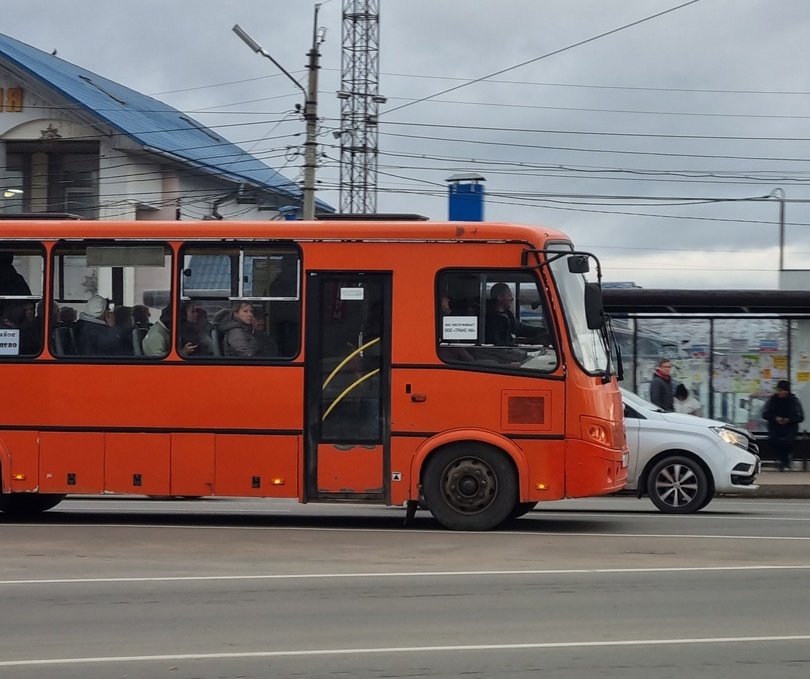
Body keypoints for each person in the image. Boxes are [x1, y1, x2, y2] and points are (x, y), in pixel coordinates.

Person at [762, 380, 805, 471]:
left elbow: (800, 417)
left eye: (782, 390)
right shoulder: (773, 400)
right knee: (773, 440)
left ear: (787, 391)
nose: (780, 393)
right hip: (775, 426)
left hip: (790, 427)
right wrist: (775, 418)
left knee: (789, 441)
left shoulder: (793, 401)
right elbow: (765, 414)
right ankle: (784, 460)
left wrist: (789, 420)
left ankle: (783, 460)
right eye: (779, 390)